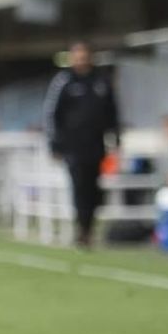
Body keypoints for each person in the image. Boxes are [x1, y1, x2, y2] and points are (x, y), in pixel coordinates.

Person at [43, 42, 121, 248]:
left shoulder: (101, 81)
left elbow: (113, 112)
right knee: (79, 187)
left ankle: (89, 227)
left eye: (84, 56)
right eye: (77, 56)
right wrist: (55, 144)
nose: (81, 60)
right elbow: (52, 114)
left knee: (94, 189)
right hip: (72, 146)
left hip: (96, 146)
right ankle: (82, 230)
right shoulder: (64, 81)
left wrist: (116, 138)